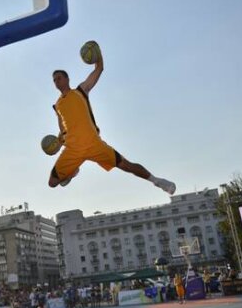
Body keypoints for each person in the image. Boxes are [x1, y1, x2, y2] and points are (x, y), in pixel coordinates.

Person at [48, 42, 176, 194]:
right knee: (52, 183)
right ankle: (72, 172)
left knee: (126, 165)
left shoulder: (81, 91)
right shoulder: (58, 105)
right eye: (54, 80)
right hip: (73, 149)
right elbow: (63, 129)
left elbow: (99, 69)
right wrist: (58, 142)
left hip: (94, 144)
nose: (57, 82)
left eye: (59, 78)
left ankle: (158, 181)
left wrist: (97, 54)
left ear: (67, 79)